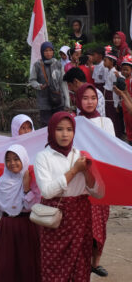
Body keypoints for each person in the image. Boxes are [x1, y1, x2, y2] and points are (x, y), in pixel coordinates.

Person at [34, 111, 103, 281]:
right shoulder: (43, 157)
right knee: (54, 265)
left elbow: (98, 193)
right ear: (51, 131)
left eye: (69, 129)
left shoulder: (80, 156)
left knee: (81, 264)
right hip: (55, 222)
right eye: (59, 129)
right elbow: (47, 191)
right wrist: (74, 171)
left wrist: (86, 171)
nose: (65, 134)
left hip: (80, 218)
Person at [73, 84, 115, 277]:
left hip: (100, 181)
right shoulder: (73, 123)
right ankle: (79, 261)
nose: (89, 102)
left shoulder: (106, 122)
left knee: (100, 222)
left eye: (93, 98)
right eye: (85, 98)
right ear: (78, 100)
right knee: (81, 223)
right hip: (79, 181)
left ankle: (95, 262)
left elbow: (111, 149)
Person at [0, 144, 41, 282]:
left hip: (27, 226)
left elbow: (33, 206)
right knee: (7, 262)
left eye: (16, 159)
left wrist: (26, 188)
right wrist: (10, 215)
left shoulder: (33, 181)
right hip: (7, 228)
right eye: (8, 160)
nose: (12, 163)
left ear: (24, 160)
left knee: (27, 263)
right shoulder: (2, 182)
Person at [29, 41, 65, 127]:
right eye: (45, 51)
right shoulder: (37, 65)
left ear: (53, 51)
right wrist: (39, 86)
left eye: (50, 50)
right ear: (42, 52)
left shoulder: (58, 64)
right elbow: (32, 80)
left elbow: (63, 83)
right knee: (46, 125)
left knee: (59, 124)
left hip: (58, 100)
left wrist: (66, 101)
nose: (48, 53)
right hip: (44, 101)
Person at [101, 52, 122, 136]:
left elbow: (115, 90)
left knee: (114, 118)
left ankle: (117, 134)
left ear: (112, 62)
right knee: (110, 116)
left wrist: (116, 104)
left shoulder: (114, 73)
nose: (104, 62)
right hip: (108, 98)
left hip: (112, 99)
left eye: (105, 60)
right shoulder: (109, 71)